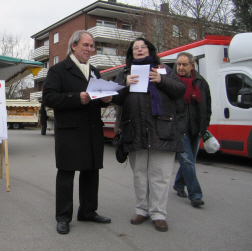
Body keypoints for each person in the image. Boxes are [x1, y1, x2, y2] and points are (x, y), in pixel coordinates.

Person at [42, 30, 112, 235]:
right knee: (66, 174)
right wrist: (76, 98)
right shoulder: (58, 70)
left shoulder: (95, 71)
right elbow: (48, 98)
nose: (90, 49)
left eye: (92, 46)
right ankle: (63, 217)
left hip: (91, 129)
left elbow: (96, 98)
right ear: (74, 46)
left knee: (91, 172)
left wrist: (106, 99)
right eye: (86, 45)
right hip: (70, 131)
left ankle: (88, 211)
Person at [113, 37, 185, 232]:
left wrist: (161, 80)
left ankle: (159, 213)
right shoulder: (124, 73)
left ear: (150, 50)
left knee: (160, 175)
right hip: (135, 130)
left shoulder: (164, 69)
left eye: (143, 47)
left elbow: (180, 90)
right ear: (131, 53)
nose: (139, 50)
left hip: (162, 130)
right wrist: (124, 85)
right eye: (135, 48)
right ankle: (142, 209)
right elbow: (114, 99)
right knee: (140, 174)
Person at [173, 52, 211, 207]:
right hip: (179, 128)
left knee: (190, 161)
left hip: (196, 128)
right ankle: (195, 195)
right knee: (187, 160)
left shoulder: (201, 83)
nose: (180, 68)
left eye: (184, 64)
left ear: (192, 65)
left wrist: (205, 125)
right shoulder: (173, 82)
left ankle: (178, 184)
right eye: (178, 64)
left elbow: (207, 106)